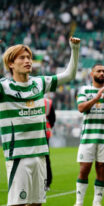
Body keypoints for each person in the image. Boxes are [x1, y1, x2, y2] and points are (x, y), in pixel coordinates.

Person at [1, 37, 80, 206]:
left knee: (37, 203)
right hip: (18, 157)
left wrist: (74, 48)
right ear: (11, 64)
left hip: (40, 155)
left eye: (29, 57)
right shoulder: (4, 88)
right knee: (18, 204)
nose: (27, 61)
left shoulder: (39, 83)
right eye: (22, 58)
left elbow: (70, 74)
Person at [75, 64, 104, 206]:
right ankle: (79, 202)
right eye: (99, 71)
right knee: (84, 169)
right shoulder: (84, 89)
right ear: (91, 74)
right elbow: (81, 108)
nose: (102, 73)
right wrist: (96, 97)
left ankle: (97, 202)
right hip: (87, 137)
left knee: (101, 169)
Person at [44, 97, 56, 191]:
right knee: (45, 158)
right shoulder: (48, 102)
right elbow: (53, 119)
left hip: (31, 133)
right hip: (45, 132)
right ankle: (47, 183)